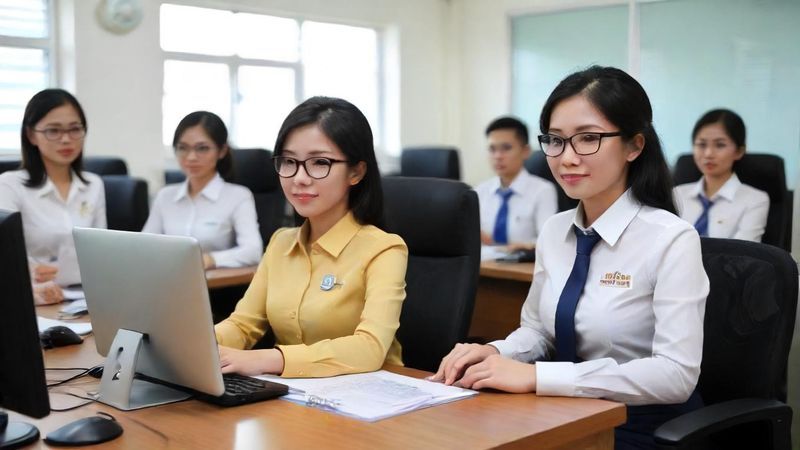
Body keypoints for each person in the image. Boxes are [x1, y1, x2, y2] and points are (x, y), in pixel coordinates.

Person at [431, 66, 709, 449]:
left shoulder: (671, 239)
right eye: (556, 141)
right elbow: (540, 331)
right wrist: (496, 351)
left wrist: (538, 379)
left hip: (641, 425)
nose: (567, 158)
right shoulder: (555, 230)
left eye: (588, 139)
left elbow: (676, 374)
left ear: (634, 146)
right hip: (560, 413)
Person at [214, 97, 408, 378]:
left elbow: (370, 348)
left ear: (356, 172)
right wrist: (197, 343)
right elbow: (243, 325)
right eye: (289, 161)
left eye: (319, 162)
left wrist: (271, 359)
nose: (299, 178)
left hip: (369, 398)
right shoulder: (281, 242)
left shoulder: (384, 249)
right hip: (295, 398)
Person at [0, 88, 106, 305]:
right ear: (31, 135)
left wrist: (63, 272)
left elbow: (101, 255)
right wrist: (34, 277)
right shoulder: (9, 185)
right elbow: (7, 260)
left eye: (75, 129)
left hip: (87, 300)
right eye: (53, 131)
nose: (66, 139)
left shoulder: (94, 184)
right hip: (34, 299)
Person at [143, 111, 262, 268]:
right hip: (165, 281)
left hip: (216, 287)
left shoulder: (238, 196)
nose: (191, 157)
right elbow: (144, 246)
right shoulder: (165, 196)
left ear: (222, 151)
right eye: (183, 148)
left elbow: (253, 251)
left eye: (202, 148)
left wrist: (209, 259)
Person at [673, 109, 769, 241]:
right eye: (701, 144)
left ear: (739, 151)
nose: (708, 154)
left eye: (720, 145)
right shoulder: (677, 194)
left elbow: (743, 255)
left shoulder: (755, 200)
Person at [474, 116, 557, 254]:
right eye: (492, 149)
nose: (498, 156)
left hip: (521, 267)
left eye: (506, 148)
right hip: (482, 266)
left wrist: (507, 246)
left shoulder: (543, 190)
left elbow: (547, 241)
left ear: (526, 151)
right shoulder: (479, 191)